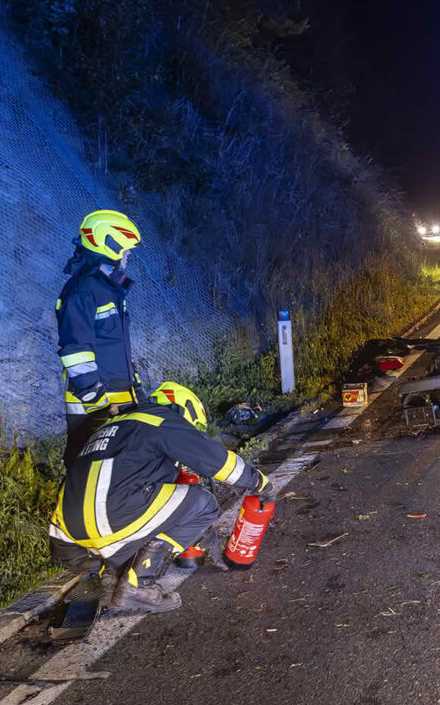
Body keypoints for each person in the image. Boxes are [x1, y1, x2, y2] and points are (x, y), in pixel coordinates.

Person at [48, 382, 274, 613]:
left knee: (145, 506)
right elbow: (216, 461)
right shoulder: (163, 420)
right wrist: (258, 482)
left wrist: (202, 534)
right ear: (185, 414)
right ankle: (138, 586)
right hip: (113, 516)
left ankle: (113, 575)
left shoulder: (114, 425)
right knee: (203, 504)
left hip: (69, 536)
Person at [56, 209, 145, 468]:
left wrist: (135, 385)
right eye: (125, 249)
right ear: (110, 244)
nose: (127, 255)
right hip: (94, 402)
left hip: (119, 393)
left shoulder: (110, 289)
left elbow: (116, 346)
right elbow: (74, 350)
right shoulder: (83, 290)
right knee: (86, 465)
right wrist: (96, 398)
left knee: (119, 467)